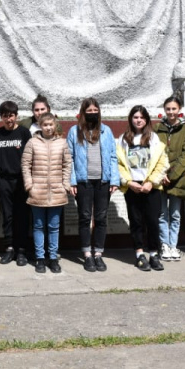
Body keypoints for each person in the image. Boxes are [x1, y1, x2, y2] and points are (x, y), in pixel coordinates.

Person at [66, 98, 120, 272]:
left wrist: (114, 179)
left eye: (94, 111)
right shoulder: (75, 132)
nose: (92, 114)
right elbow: (70, 159)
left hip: (103, 181)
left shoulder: (106, 131)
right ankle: (87, 255)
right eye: (88, 111)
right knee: (84, 217)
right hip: (83, 181)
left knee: (101, 218)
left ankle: (98, 254)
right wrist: (72, 180)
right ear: (82, 113)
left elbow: (113, 156)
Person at [117, 105, 169, 272]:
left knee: (153, 222)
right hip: (133, 186)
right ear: (130, 119)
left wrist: (151, 182)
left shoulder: (154, 139)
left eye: (141, 117)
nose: (138, 120)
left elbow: (162, 163)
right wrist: (128, 182)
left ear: (146, 120)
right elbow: (117, 164)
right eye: (135, 117)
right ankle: (139, 254)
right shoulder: (123, 139)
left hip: (150, 187)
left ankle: (154, 254)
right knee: (136, 222)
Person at [22, 112, 72, 274]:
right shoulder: (32, 142)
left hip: (57, 192)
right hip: (38, 191)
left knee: (53, 227)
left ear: (55, 125)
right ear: (40, 126)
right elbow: (26, 165)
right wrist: (30, 185)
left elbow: (67, 164)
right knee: (38, 226)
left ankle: (53, 258)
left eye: (51, 124)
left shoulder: (62, 143)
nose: (48, 128)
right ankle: (40, 258)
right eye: (45, 125)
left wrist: (65, 184)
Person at [0, 100, 33, 266]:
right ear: (1, 117)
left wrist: (28, 180)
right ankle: (9, 248)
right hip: (4, 182)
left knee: (22, 216)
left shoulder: (24, 133)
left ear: (16, 116)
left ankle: (22, 250)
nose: (8, 119)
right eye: (5, 116)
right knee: (7, 216)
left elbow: (31, 157)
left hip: (21, 181)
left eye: (11, 116)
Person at [155, 96, 185, 262]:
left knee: (175, 214)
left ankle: (173, 245)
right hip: (159, 178)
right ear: (164, 110)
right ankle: (164, 245)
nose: (171, 112)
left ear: (179, 110)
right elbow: (154, 152)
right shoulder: (157, 128)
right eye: (168, 109)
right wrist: (161, 174)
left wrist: (172, 175)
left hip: (177, 179)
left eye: (174, 109)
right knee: (162, 214)